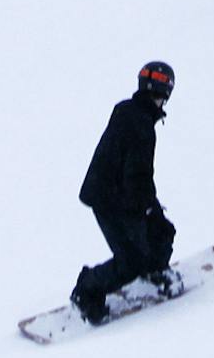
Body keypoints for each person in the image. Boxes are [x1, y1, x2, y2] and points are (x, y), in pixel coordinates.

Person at [69, 62, 178, 326]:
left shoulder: (130, 112)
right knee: (131, 260)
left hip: (115, 193)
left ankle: (152, 272)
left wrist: (149, 207)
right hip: (110, 198)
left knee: (160, 232)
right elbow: (137, 174)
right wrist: (147, 207)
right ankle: (87, 291)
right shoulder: (141, 124)